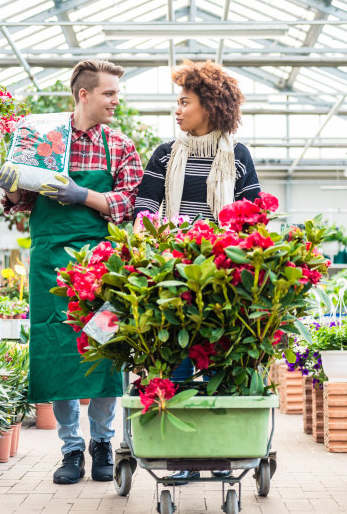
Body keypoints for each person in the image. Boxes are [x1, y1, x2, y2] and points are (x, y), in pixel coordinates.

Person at [0, 60, 143, 485]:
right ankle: (71, 448)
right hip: (49, 264)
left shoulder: (120, 145)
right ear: (84, 94)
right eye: (109, 93)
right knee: (57, 348)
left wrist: (84, 195)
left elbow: (130, 203)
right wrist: (10, 182)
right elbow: (21, 201)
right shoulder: (44, 138)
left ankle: (102, 442)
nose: (117, 100)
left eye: (117, 92)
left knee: (106, 345)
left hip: (103, 263)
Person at [134, 59, 261, 483]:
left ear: (208, 105)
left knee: (219, 354)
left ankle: (222, 449)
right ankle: (182, 455)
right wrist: (146, 226)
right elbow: (147, 203)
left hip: (221, 273)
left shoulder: (237, 155)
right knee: (178, 356)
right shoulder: (166, 154)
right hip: (172, 271)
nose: (177, 109)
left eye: (184, 101)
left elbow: (252, 212)